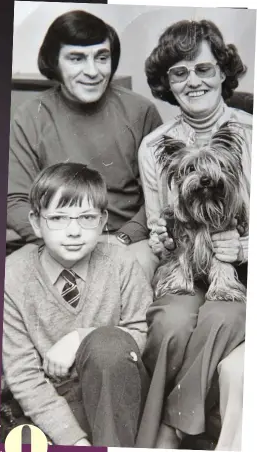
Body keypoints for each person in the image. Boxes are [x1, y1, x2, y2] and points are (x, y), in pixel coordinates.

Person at [136, 19, 250, 449]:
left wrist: (242, 246)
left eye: (203, 68)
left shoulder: (250, 133)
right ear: (167, 83)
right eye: (179, 72)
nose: (193, 80)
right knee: (172, 322)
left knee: (223, 317)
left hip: (238, 273)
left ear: (223, 71)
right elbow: (154, 225)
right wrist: (162, 237)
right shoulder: (155, 145)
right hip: (183, 265)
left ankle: (167, 428)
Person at [2, 162, 152, 447]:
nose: (73, 231)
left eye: (86, 217)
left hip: (117, 396)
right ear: (35, 221)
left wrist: (81, 338)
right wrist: (76, 442)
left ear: (103, 220)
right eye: (58, 218)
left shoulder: (120, 262)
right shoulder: (13, 275)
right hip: (50, 406)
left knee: (109, 342)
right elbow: (23, 375)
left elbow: (143, 333)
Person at [7, 9, 162, 280]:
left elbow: (162, 194)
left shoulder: (141, 111)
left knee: (128, 285)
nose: (92, 72)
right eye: (77, 59)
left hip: (127, 239)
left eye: (102, 58)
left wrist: (126, 237)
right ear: (54, 62)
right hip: (57, 240)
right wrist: (61, 240)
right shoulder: (30, 115)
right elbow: (14, 201)